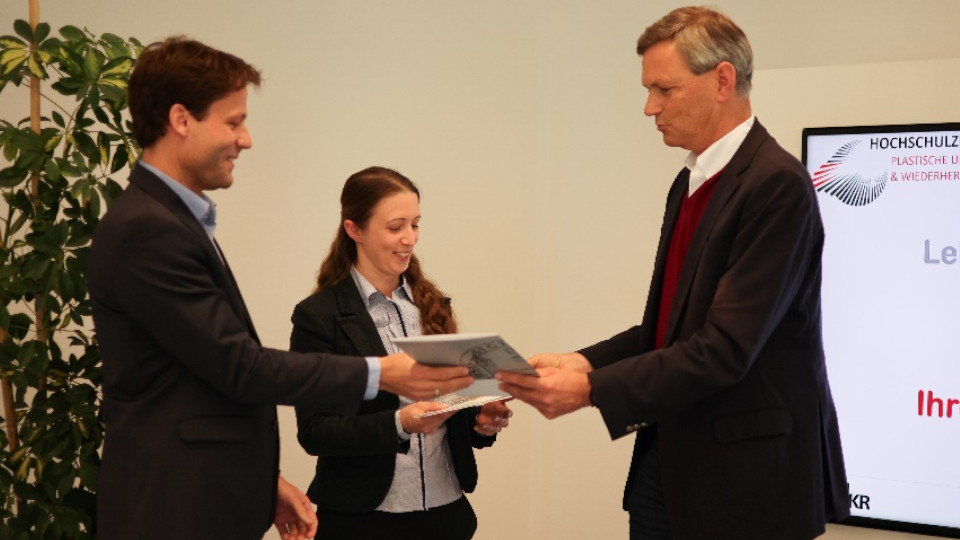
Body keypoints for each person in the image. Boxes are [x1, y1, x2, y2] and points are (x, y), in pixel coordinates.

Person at [88, 38, 473, 540]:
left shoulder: (171, 221)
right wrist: (384, 373)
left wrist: (264, 480)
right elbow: (240, 367)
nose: (245, 139)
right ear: (182, 119)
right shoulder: (150, 229)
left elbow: (197, 380)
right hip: (173, 505)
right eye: (232, 121)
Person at [497, 7, 848, 540]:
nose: (648, 107)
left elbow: (724, 349)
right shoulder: (689, 183)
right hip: (672, 463)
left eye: (664, 89)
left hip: (744, 486)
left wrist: (588, 388)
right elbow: (665, 331)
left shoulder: (776, 185)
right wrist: (580, 359)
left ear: (722, 80)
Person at [289, 166, 512, 540]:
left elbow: (452, 403)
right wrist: (399, 423)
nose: (409, 239)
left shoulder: (432, 305)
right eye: (396, 227)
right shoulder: (319, 317)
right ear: (354, 230)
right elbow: (316, 432)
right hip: (362, 520)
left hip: (446, 515)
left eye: (416, 224)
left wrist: (481, 418)